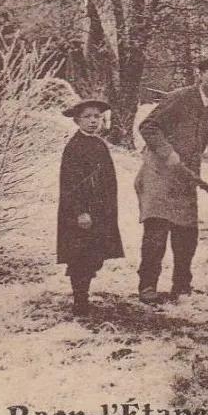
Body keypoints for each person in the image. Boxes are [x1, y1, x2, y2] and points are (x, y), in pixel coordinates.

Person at [134, 56, 208, 304]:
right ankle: (147, 286)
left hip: (186, 178)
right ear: (200, 74)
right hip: (157, 174)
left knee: (187, 235)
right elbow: (148, 126)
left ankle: (181, 287)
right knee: (157, 231)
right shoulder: (180, 98)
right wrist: (167, 152)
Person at [56, 98, 125, 315]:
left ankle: (83, 294)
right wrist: (80, 212)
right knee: (80, 256)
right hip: (82, 213)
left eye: (97, 116)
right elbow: (70, 184)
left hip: (100, 211)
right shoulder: (74, 147)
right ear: (77, 121)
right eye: (87, 117)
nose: (93, 121)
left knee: (95, 254)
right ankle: (80, 300)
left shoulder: (99, 144)